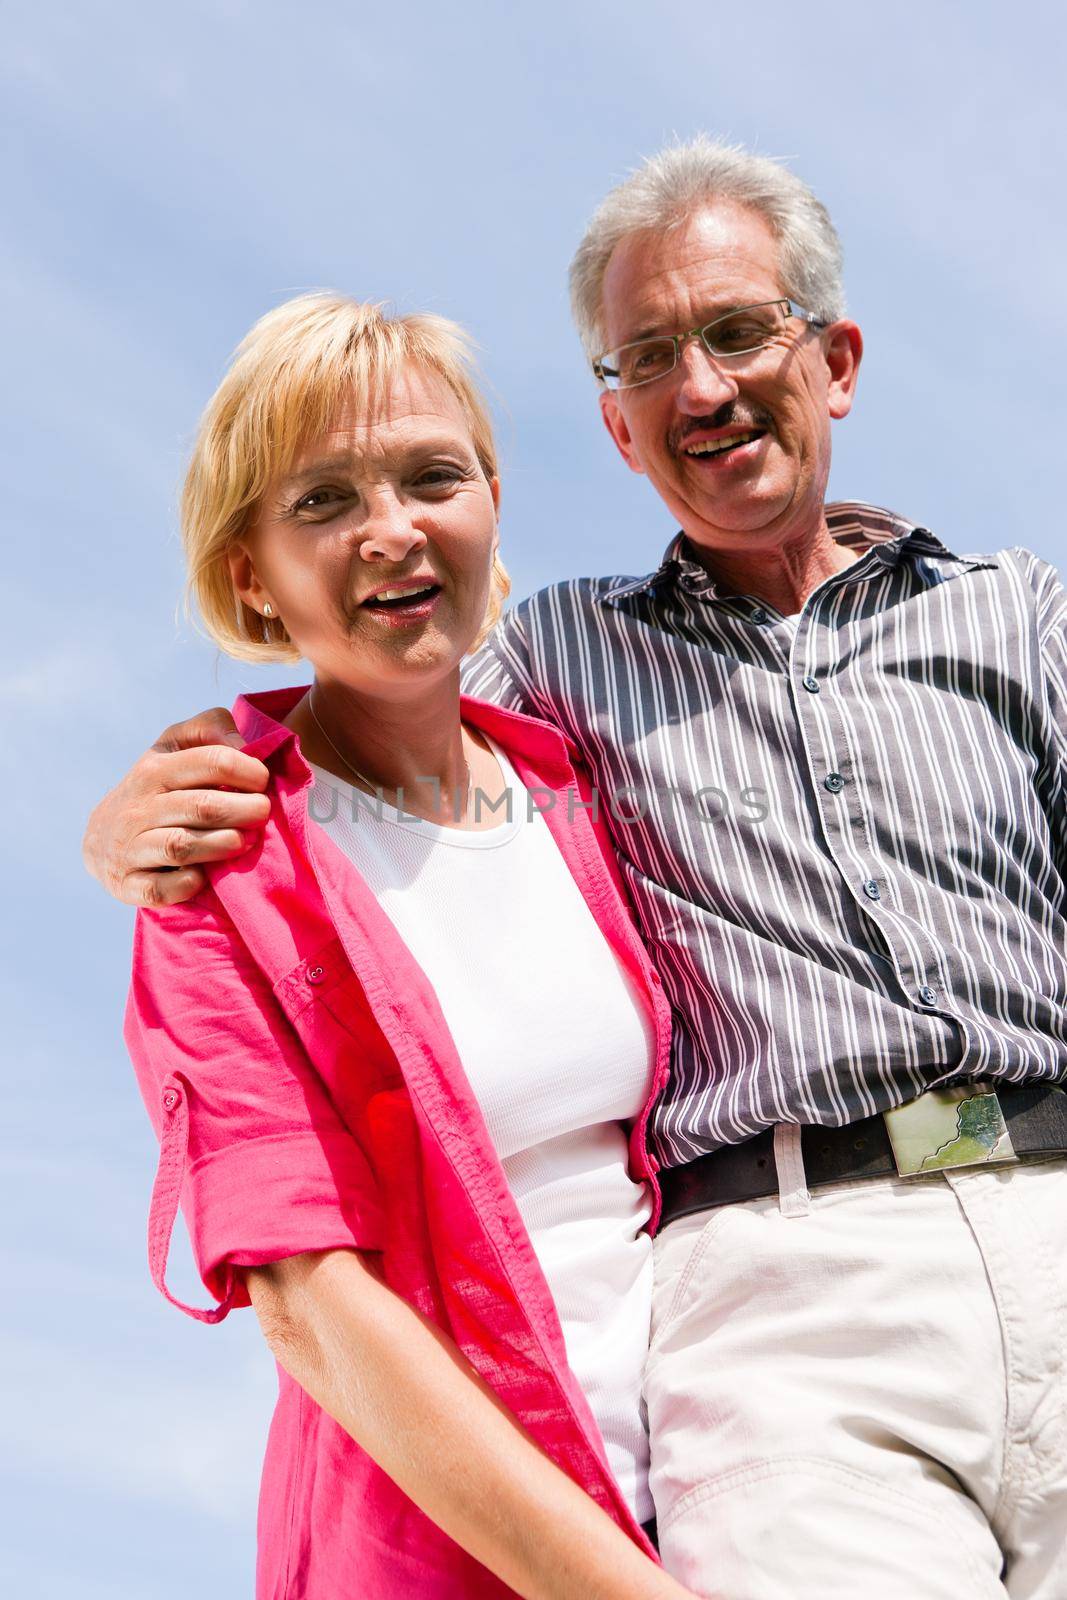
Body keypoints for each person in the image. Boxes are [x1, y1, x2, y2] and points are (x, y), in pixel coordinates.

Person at [85, 137, 1067, 1599]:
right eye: (650, 357)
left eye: (739, 331)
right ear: (614, 429)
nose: (705, 386)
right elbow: (364, 690)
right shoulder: (554, 674)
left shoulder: (1013, 618)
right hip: (776, 1316)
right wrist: (139, 817)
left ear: (837, 358)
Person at [116, 292, 701, 1600]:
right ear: (248, 571)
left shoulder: (582, 784)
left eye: (432, 476)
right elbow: (310, 1308)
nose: (392, 529)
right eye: (322, 501)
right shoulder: (224, 869)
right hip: (450, 1558)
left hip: (711, 1501)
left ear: (490, 500)